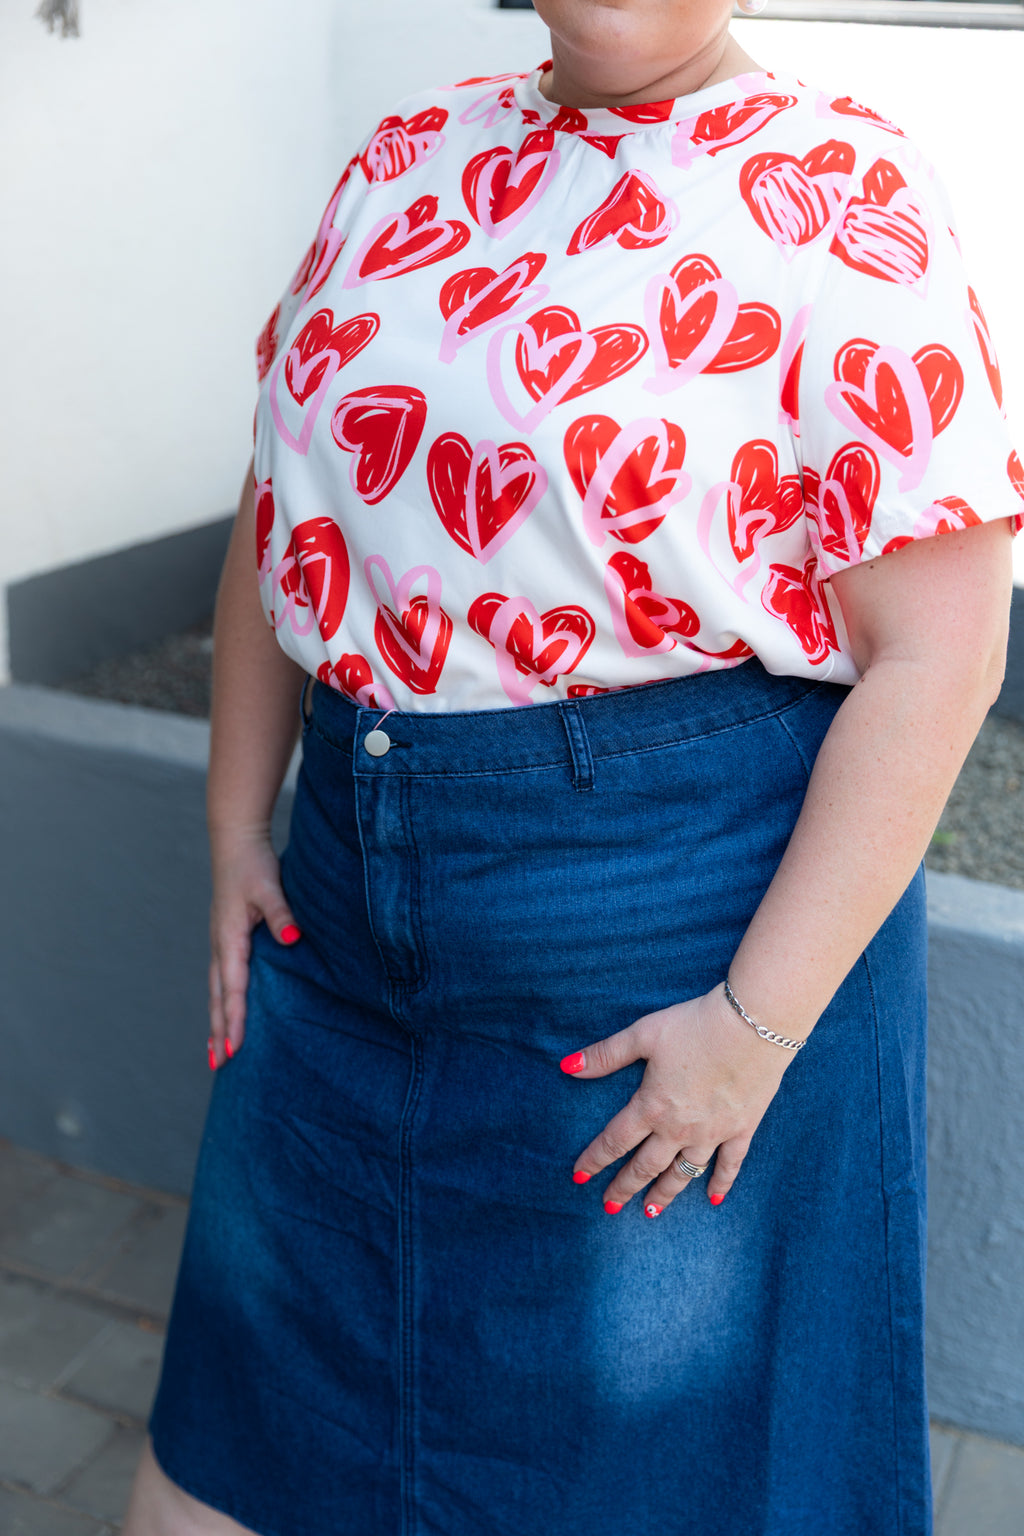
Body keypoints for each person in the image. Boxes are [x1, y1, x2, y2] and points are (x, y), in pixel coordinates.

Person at [124, 3, 1023, 1533]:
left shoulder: (844, 191)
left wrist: (753, 1028)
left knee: (643, 1487)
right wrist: (233, 820)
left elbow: (941, 656)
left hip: (659, 959)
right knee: (235, 1444)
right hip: (344, 921)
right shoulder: (407, 152)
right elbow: (284, 499)